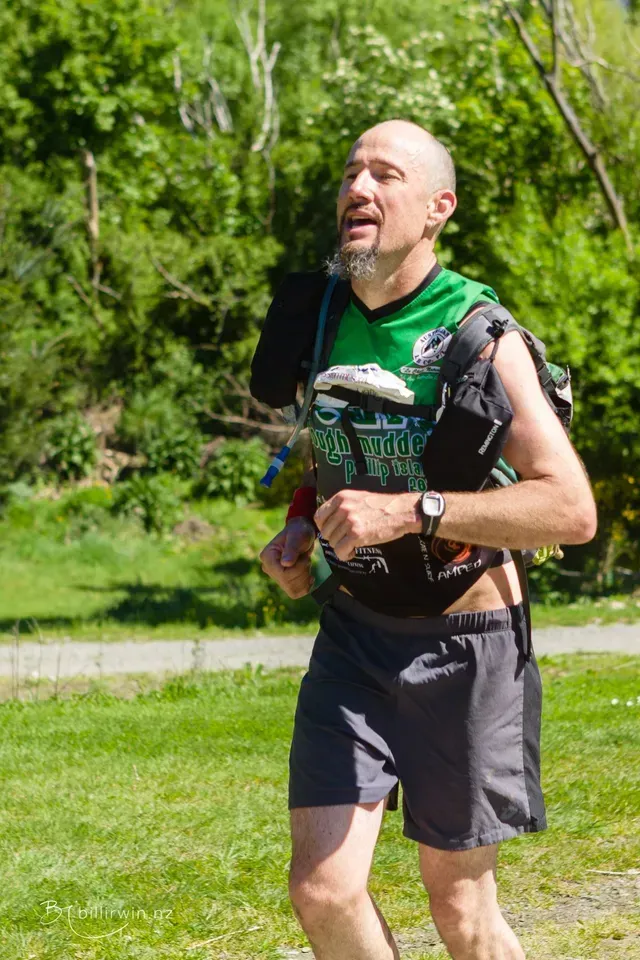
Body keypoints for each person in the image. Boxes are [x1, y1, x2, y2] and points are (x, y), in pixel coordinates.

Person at [258, 119, 597, 960]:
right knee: (322, 889)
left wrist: (414, 512)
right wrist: (304, 518)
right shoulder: (321, 311)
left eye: (385, 175)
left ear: (437, 208)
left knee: (462, 911)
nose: (358, 190)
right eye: (350, 173)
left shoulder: (478, 332)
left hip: (466, 642)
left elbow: (571, 511)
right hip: (356, 633)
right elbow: (334, 437)